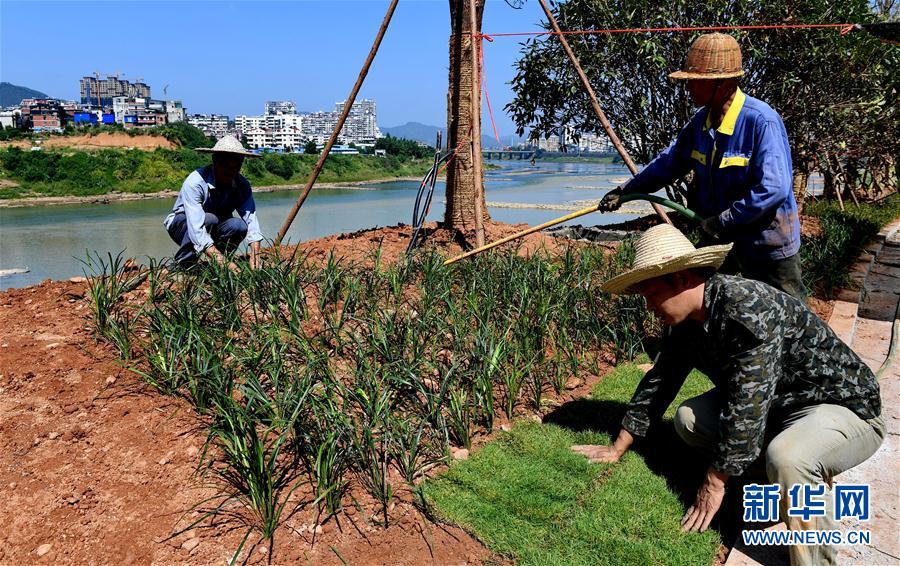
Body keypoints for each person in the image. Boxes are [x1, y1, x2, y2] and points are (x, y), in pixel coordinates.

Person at [572, 224, 883, 566]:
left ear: (680, 279)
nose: (648, 307)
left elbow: (747, 405)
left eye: (650, 294)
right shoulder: (687, 320)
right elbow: (662, 379)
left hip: (840, 407)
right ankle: (779, 488)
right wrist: (619, 446)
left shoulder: (746, 308)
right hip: (779, 406)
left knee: (789, 458)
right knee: (689, 420)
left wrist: (714, 481)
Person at [599, 33, 804, 299]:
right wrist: (624, 191)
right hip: (720, 241)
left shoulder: (761, 121)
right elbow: (668, 164)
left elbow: (773, 189)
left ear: (722, 83)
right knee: (702, 303)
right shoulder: (700, 124)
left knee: (786, 313)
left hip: (766, 243)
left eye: (696, 82)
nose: (689, 88)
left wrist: (723, 221)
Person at [164, 136, 264, 270]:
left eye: (236, 166)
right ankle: (184, 264)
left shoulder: (242, 184)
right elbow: (196, 228)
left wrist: (255, 253)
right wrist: (226, 263)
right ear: (215, 161)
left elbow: (250, 218)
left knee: (239, 226)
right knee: (209, 219)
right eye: (226, 166)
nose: (231, 172)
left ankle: (218, 265)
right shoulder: (195, 182)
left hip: (216, 226)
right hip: (183, 226)